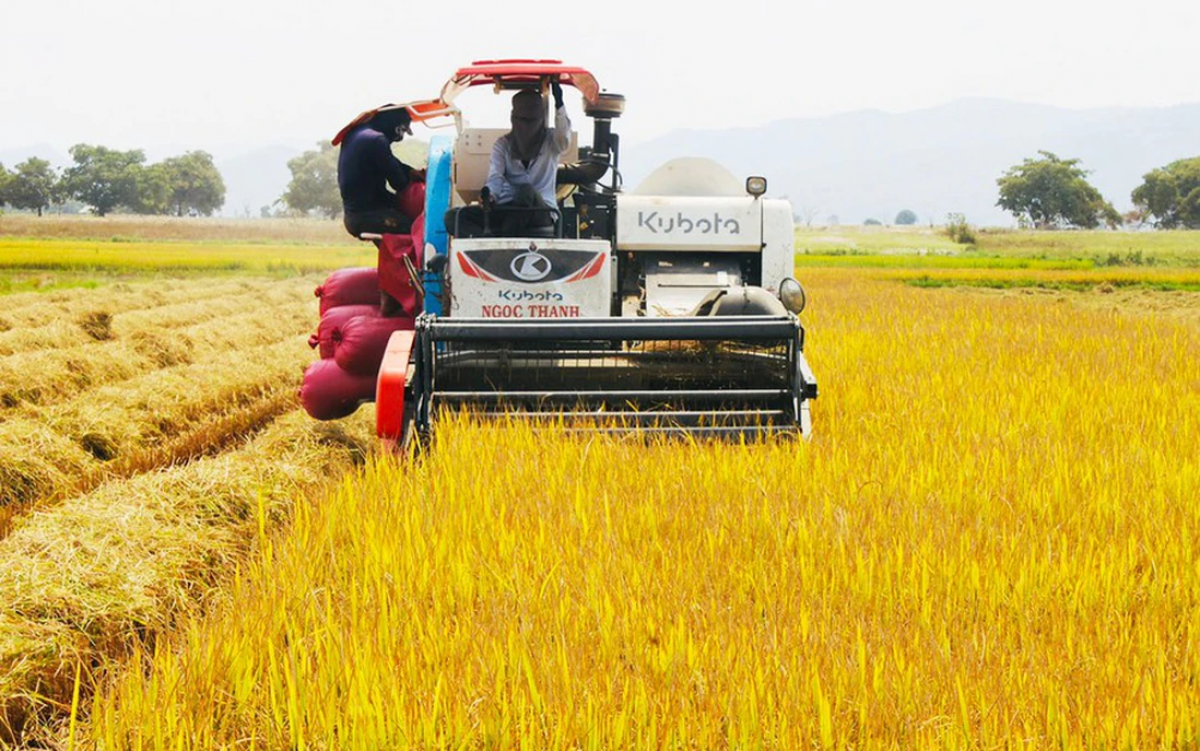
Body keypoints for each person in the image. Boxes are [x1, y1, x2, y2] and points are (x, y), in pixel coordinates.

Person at [447, 81, 572, 237]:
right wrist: (490, 196)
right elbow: (495, 178)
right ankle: (488, 243)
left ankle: (499, 246)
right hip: (506, 209)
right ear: (513, 118)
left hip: (541, 213)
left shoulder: (552, 141)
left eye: (532, 120)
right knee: (454, 217)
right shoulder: (503, 145)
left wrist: (559, 103)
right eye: (523, 120)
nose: (527, 126)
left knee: (526, 191)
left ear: (541, 119)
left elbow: (564, 138)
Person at [337, 106, 421, 238]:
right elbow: (399, 183)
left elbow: (391, 162)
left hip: (355, 215)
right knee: (419, 232)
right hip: (368, 215)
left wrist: (412, 171)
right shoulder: (377, 140)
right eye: (403, 131)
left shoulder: (358, 134)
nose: (401, 137)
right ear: (396, 127)